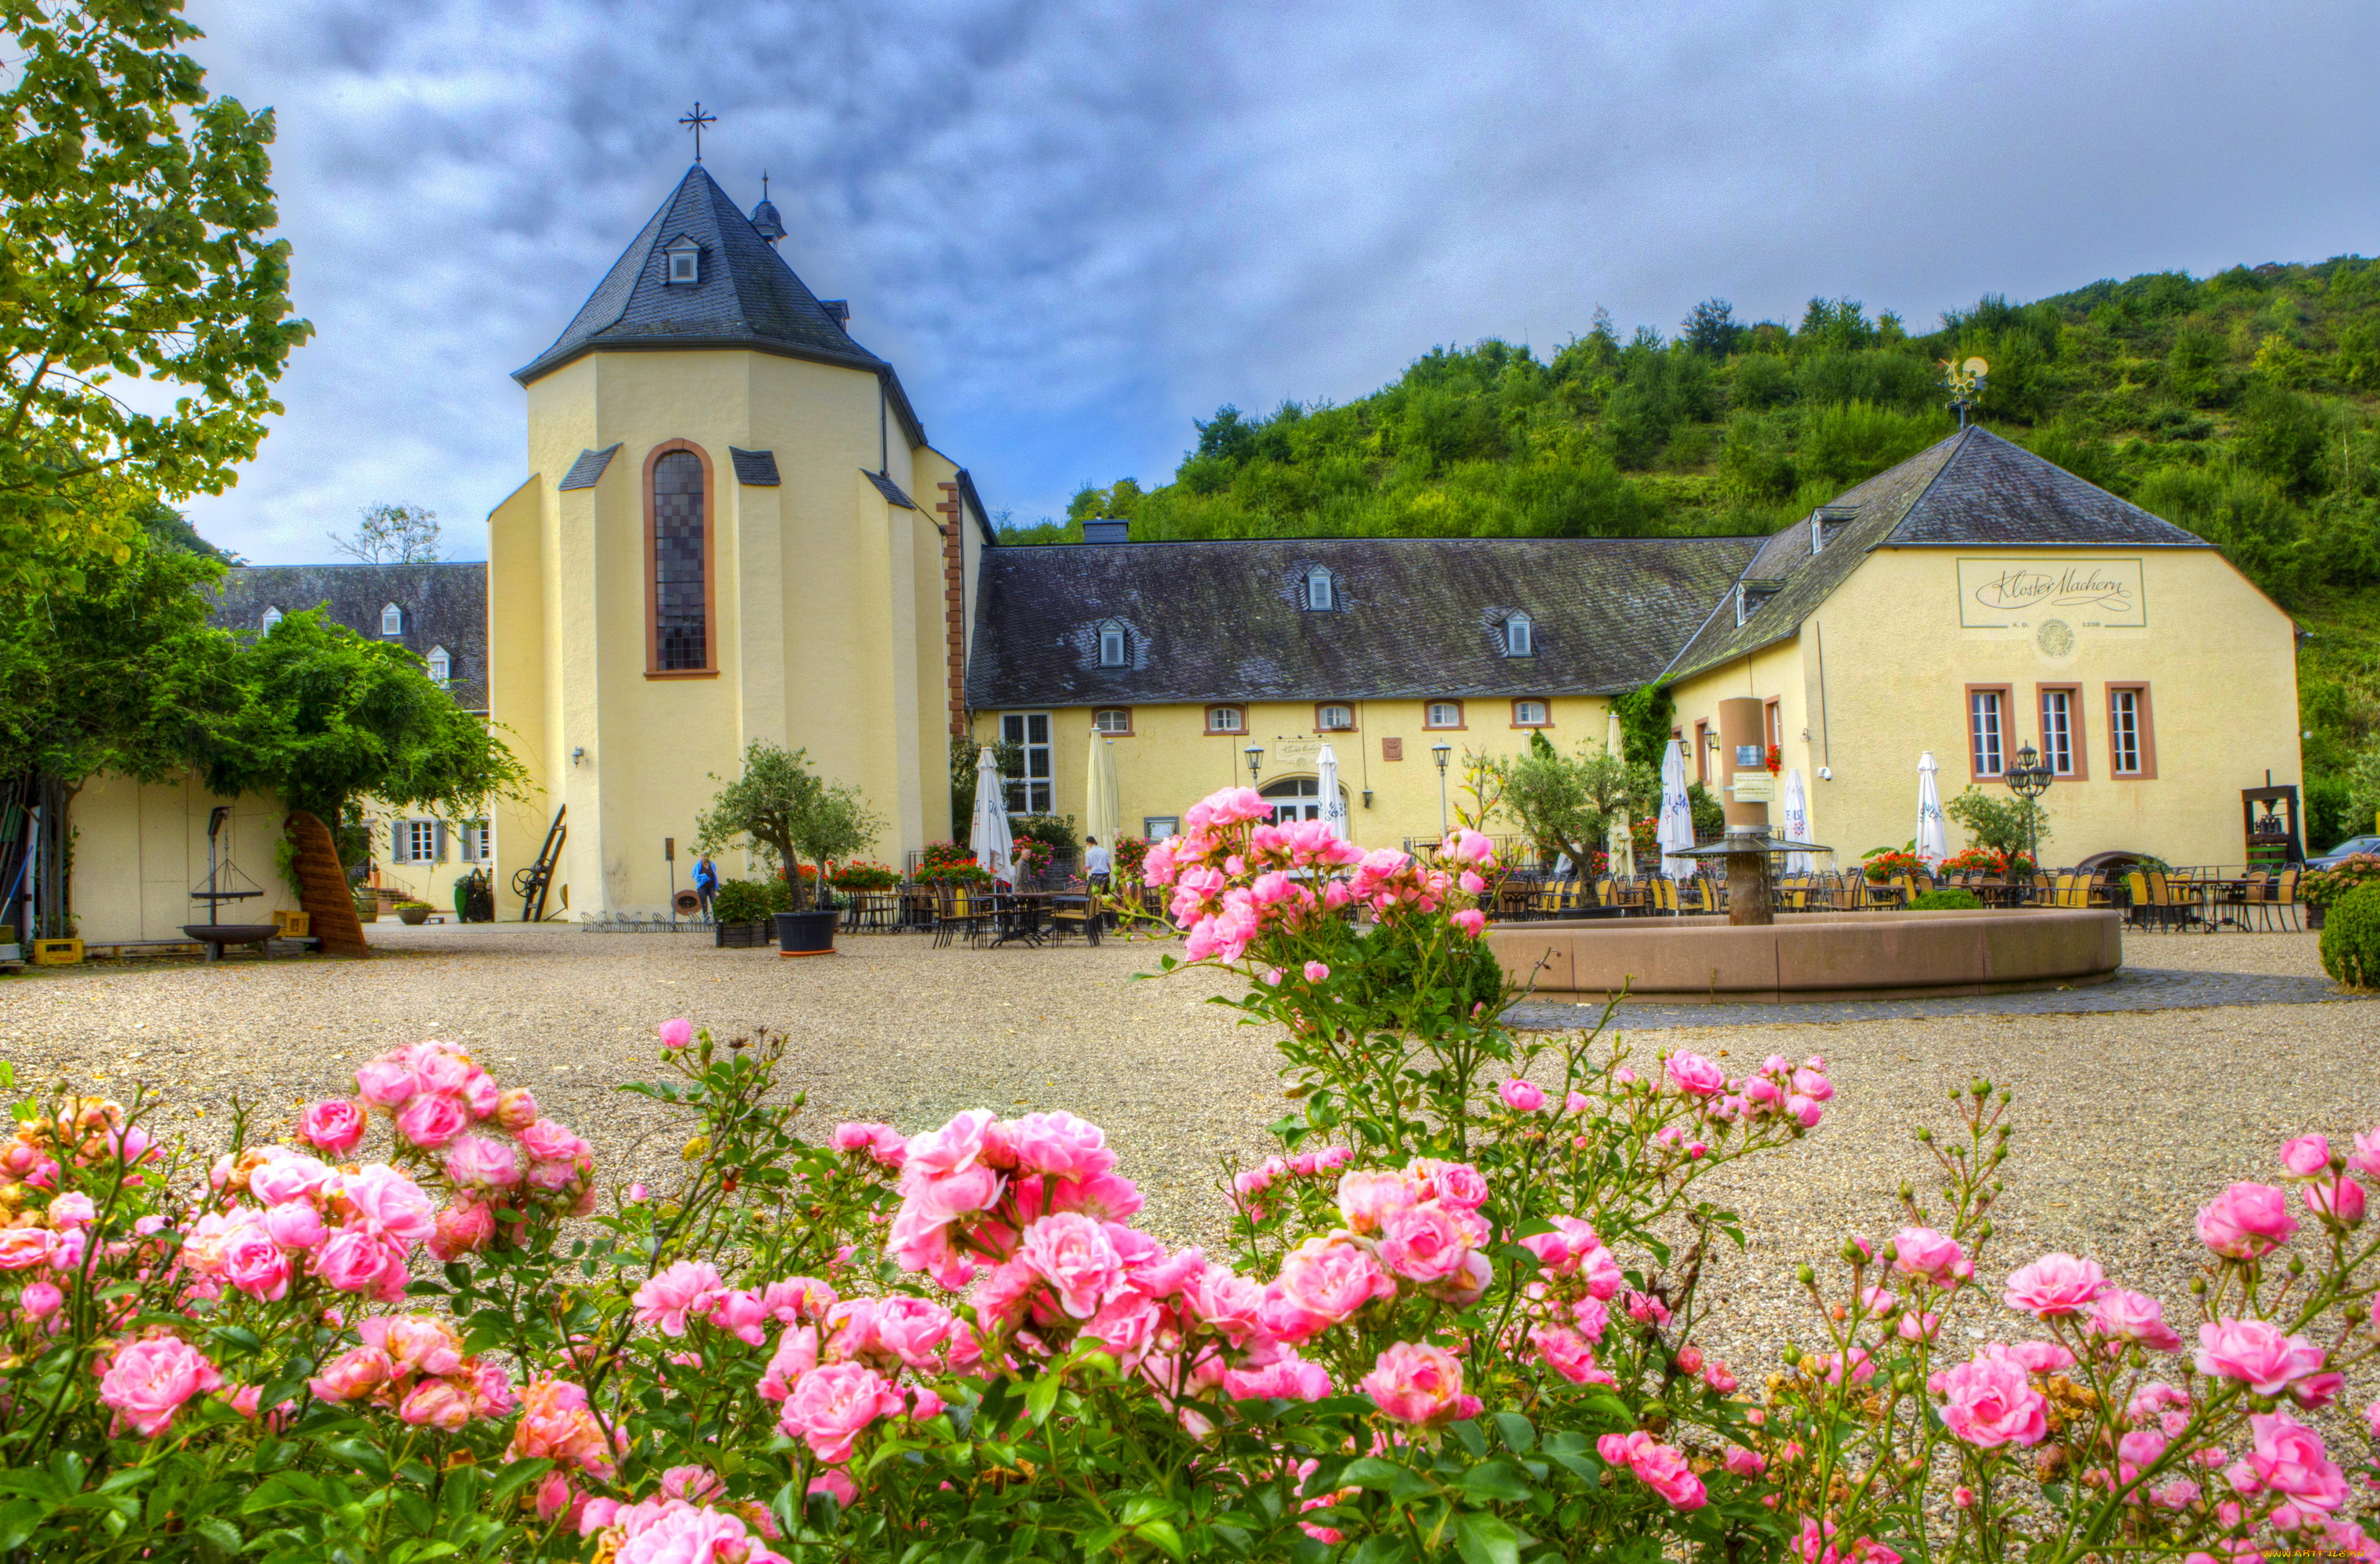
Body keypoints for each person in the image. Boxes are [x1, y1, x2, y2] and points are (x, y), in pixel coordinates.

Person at [1082, 836, 1111, 931]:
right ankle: (1109, 921)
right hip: (1105, 875)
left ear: (1088, 843)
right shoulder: (1104, 851)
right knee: (1106, 898)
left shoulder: (1089, 853)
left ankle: (1096, 921)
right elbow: (1108, 864)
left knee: (1094, 899)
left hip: (1095, 877)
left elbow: (1089, 867)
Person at [693, 853, 719, 921]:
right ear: (701, 857)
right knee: (704, 904)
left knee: (714, 902)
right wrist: (701, 878)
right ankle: (707, 920)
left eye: (707, 856)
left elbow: (714, 874)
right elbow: (694, 874)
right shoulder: (698, 865)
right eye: (704, 856)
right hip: (702, 887)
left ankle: (716, 919)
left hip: (711, 886)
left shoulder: (712, 864)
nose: (706, 858)